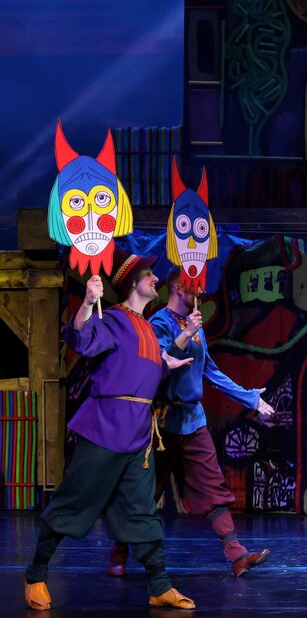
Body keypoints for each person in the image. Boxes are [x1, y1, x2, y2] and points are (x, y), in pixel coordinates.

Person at [25, 250, 196, 610]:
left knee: (142, 509)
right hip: (105, 427)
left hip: (138, 434)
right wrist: (88, 302)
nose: (155, 279)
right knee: (75, 500)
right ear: (133, 282)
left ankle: (159, 585)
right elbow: (79, 338)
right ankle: (36, 574)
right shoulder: (113, 318)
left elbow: (148, 369)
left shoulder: (147, 327)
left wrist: (169, 360)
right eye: (149, 275)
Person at [107, 267, 274, 578]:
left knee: (213, 486)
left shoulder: (194, 326)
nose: (200, 292)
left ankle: (237, 555)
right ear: (179, 288)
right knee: (145, 491)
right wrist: (185, 336)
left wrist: (248, 397)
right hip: (163, 423)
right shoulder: (160, 323)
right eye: (194, 287)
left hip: (193, 421)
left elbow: (210, 370)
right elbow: (157, 364)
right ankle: (120, 550)